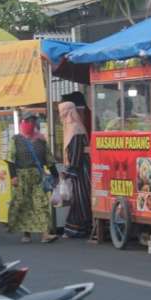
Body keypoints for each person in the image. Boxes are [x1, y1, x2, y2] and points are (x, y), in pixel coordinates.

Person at [7, 112, 59, 244]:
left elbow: (49, 159)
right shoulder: (15, 140)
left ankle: (45, 234)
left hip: (37, 176)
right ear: (23, 123)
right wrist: (13, 176)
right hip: (21, 176)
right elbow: (10, 160)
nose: (31, 124)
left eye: (33, 121)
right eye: (28, 121)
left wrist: (55, 175)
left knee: (41, 203)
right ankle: (26, 234)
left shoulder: (41, 140)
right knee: (25, 205)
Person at [59, 101, 93, 238]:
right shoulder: (72, 128)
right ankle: (78, 228)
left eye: (62, 112)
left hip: (80, 170)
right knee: (78, 199)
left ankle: (78, 229)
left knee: (80, 199)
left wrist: (70, 170)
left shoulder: (75, 129)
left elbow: (76, 152)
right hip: (78, 168)